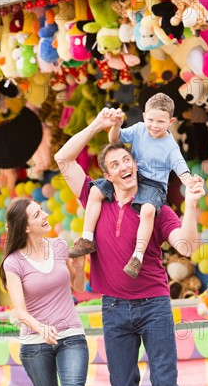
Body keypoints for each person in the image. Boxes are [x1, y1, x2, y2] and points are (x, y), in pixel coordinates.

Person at [55, 108, 205, 386]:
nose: (124, 165)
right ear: (106, 175)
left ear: (135, 166)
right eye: (115, 162)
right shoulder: (95, 197)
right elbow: (63, 158)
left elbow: (187, 246)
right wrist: (99, 126)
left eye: (128, 160)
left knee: (165, 384)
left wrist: (192, 202)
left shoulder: (157, 207)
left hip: (154, 304)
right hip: (114, 308)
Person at [0, 197, 92, 386]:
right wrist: (41, 328)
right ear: (25, 226)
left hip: (71, 336)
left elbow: (77, 287)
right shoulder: (13, 263)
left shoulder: (60, 247)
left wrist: (79, 267)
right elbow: (20, 310)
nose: (46, 215)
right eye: (38, 214)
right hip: (36, 344)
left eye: (43, 211)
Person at [69, 94, 195, 279]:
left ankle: (137, 256)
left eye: (161, 121)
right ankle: (87, 238)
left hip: (154, 185)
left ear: (171, 122)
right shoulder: (139, 129)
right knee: (95, 190)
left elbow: (181, 169)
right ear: (144, 117)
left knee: (148, 211)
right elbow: (115, 140)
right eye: (151, 120)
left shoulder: (170, 147)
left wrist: (190, 182)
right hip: (133, 175)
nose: (154, 125)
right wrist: (116, 125)